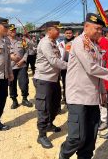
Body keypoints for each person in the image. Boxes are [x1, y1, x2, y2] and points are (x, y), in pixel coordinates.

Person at [59, 13, 108, 159]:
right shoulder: (79, 42)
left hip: (93, 98)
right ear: (86, 27)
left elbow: (97, 75)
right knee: (76, 137)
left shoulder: (95, 45)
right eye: (97, 29)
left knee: (90, 139)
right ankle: (63, 154)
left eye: (101, 30)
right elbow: (91, 67)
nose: (100, 32)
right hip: (78, 97)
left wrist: (103, 92)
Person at [33, 21, 68, 149]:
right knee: (44, 108)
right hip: (44, 80)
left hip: (53, 79)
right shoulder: (45, 43)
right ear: (49, 31)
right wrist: (71, 66)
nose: (59, 32)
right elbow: (54, 61)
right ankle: (41, 135)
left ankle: (49, 124)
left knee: (55, 105)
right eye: (57, 30)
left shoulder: (53, 42)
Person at [7, 24, 33, 109]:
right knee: (12, 84)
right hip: (11, 67)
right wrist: (10, 56)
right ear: (7, 31)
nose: (13, 31)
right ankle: (14, 100)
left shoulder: (22, 40)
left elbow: (26, 51)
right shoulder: (4, 41)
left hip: (22, 66)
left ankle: (25, 99)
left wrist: (23, 60)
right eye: (11, 30)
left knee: (24, 83)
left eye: (14, 30)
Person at [97, 33, 108, 132]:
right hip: (96, 74)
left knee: (104, 99)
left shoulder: (106, 43)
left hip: (105, 75)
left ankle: (104, 120)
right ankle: (100, 118)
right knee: (98, 98)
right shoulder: (91, 43)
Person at [58, 27, 74, 103]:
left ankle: (72, 97)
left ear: (72, 33)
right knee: (64, 82)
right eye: (67, 33)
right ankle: (65, 96)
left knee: (73, 82)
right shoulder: (61, 43)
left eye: (70, 33)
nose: (68, 35)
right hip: (64, 65)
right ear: (64, 34)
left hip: (74, 65)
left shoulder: (76, 42)